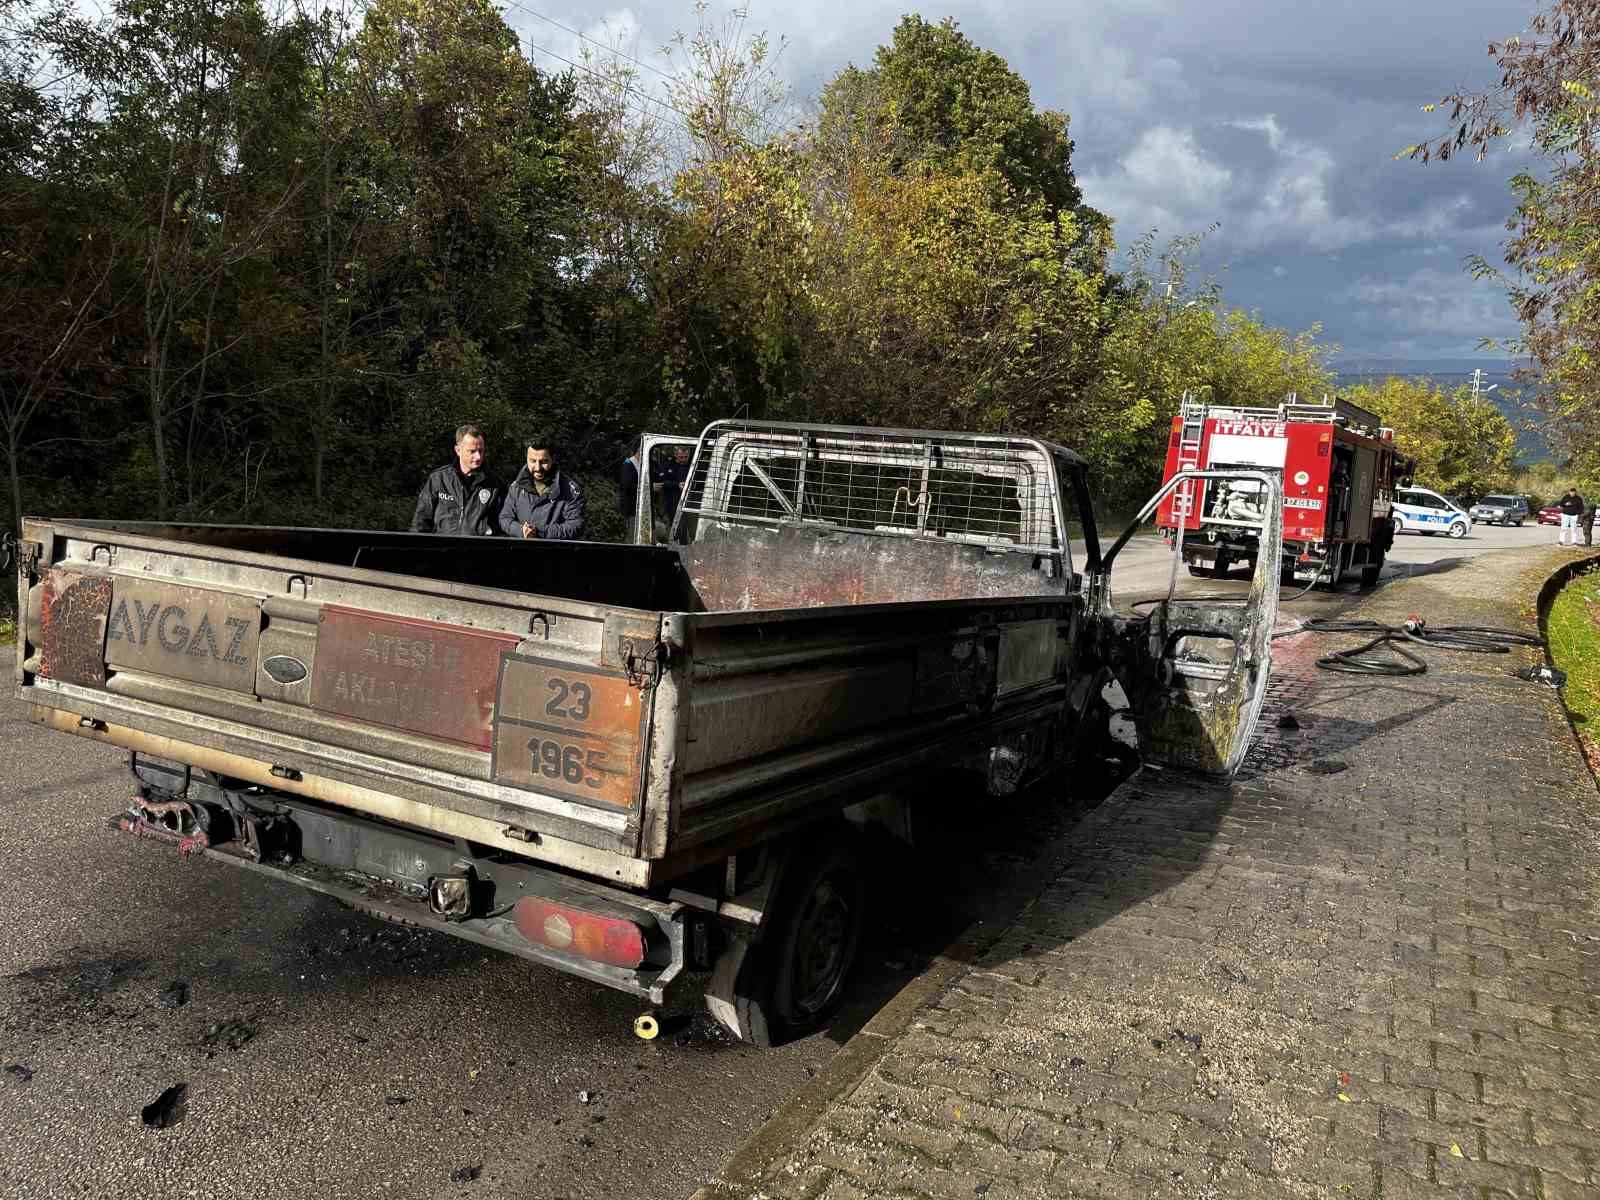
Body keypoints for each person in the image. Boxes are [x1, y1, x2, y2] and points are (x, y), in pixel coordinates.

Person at [409, 424, 504, 536]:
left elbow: (502, 524)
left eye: (481, 451)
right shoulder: (439, 479)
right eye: (472, 451)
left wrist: (487, 531)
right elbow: (420, 522)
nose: (478, 456)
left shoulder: (495, 484)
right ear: (458, 450)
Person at [499, 438, 586, 540]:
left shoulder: (571, 491)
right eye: (532, 461)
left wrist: (539, 531)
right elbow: (505, 518)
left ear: (552, 459)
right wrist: (520, 530)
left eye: (543, 462)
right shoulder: (516, 487)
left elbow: (575, 526)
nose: (537, 467)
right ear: (526, 459)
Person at [619, 441, 642, 544]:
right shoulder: (628, 464)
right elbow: (627, 485)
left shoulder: (640, 463)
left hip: (638, 506)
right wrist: (644, 488)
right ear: (639, 451)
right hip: (630, 506)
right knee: (631, 534)